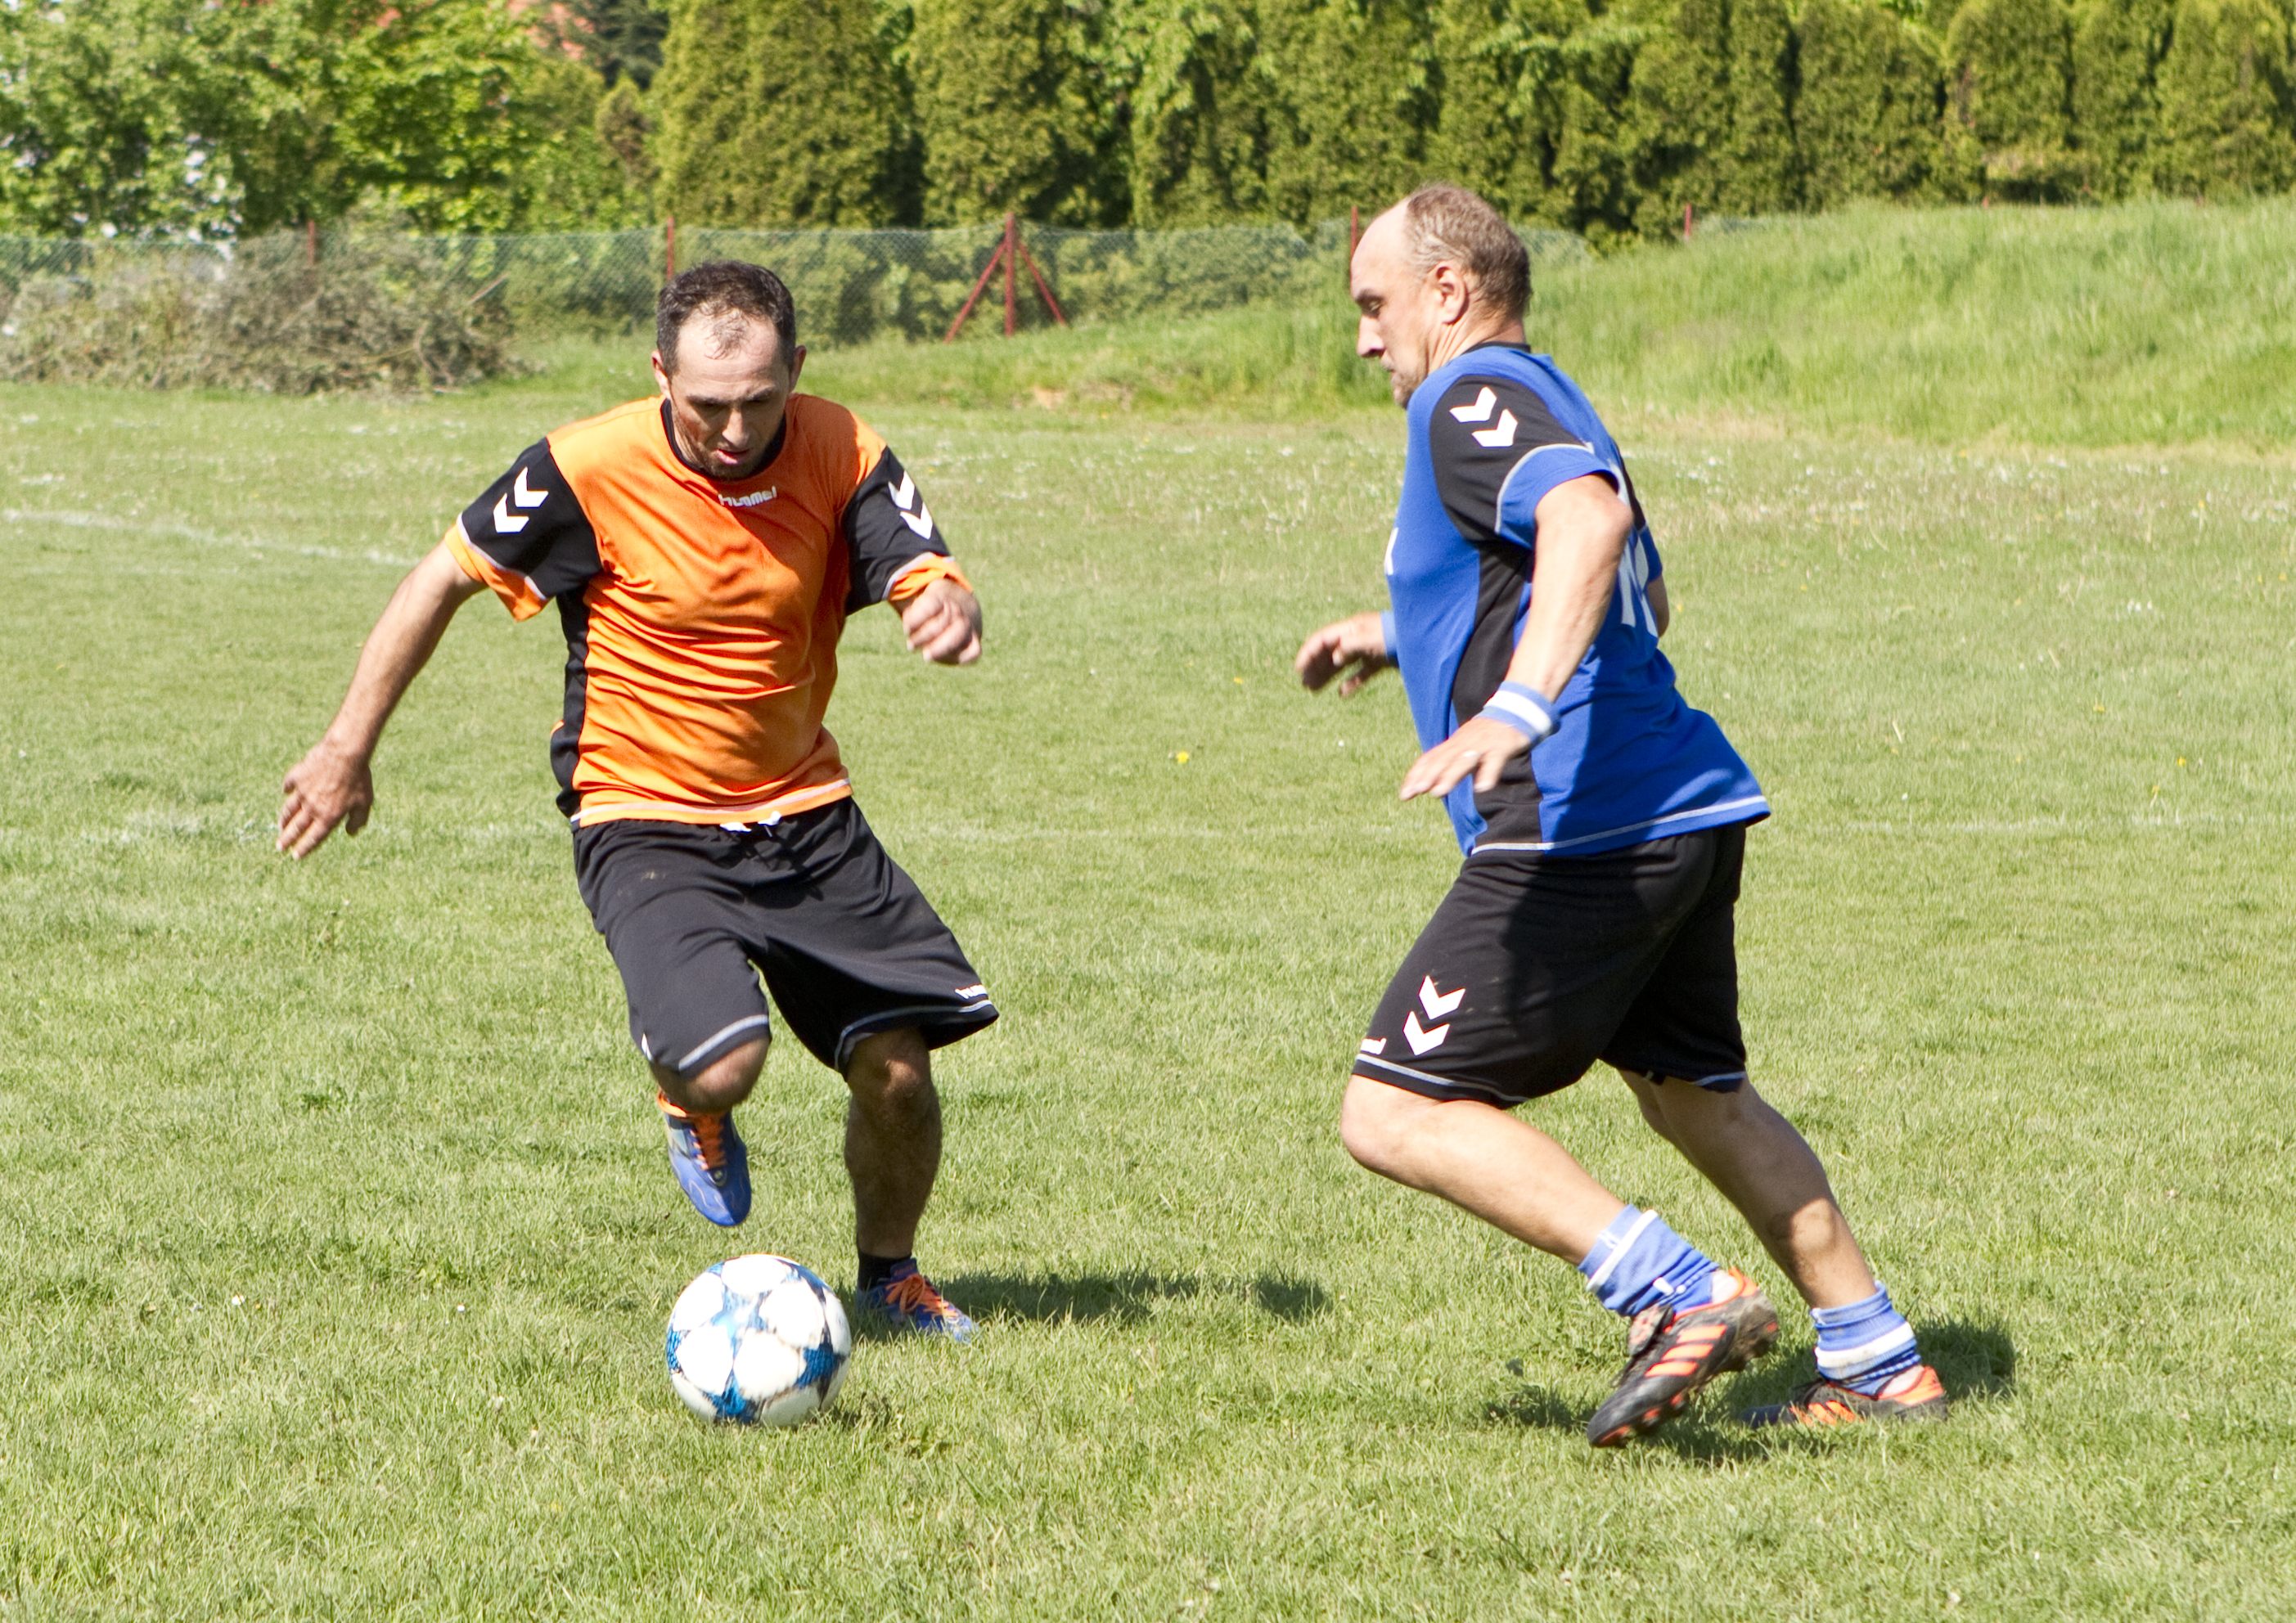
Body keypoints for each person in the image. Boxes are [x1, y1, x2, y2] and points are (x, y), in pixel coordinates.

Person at [1296, 187, 1947, 1441]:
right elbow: (1625, 582)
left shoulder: (1465, 394)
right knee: (1692, 1092)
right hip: (1682, 808)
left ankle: (1674, 1293)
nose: (1366, 338)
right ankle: (1878, 1362)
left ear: (1446, 290)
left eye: (1374, 305)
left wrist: (1517, 711)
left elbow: (1587, 527)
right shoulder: (1548, 391)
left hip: (1578, 823)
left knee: (1392, 1108)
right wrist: (1409, 639)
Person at [278, 262, 992, 1340]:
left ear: (795, 370)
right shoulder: (585, 466)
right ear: (661, 374)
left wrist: (946, 604)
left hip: (805, 810)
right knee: (725, 1062)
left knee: (897, 1072)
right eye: (707, 405)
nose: (735, 428)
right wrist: (346, 746)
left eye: (760, 401)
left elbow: (923, 565)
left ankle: (889, 1277)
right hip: (643, 813)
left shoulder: (843, 448)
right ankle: (689, 1097)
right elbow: (440, 579)